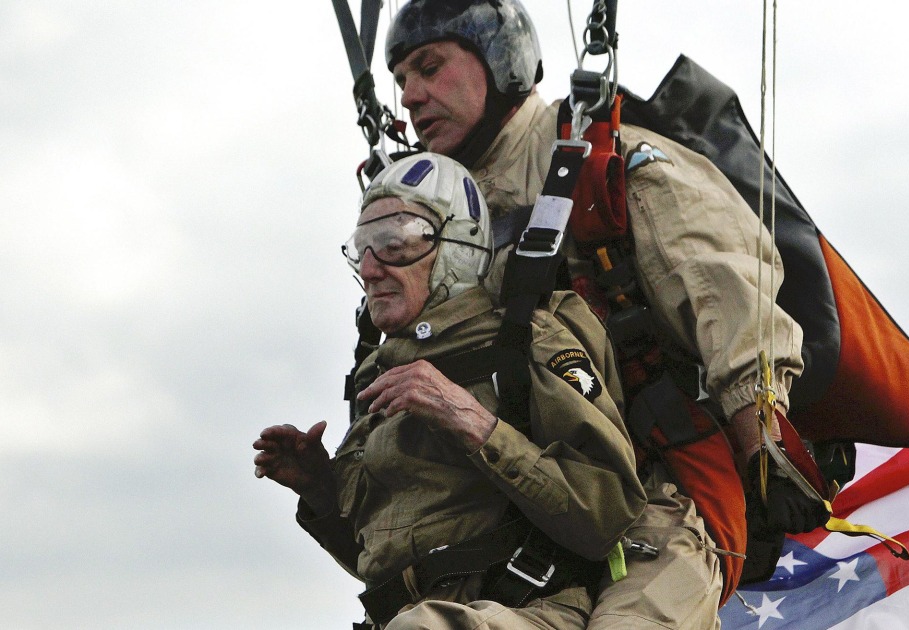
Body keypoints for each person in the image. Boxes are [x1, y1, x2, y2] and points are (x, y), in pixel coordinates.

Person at [382, 1, 828, 627]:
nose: (410, 96)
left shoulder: (611, 167)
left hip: (660, 506)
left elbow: (727, 287)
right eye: (401, 80)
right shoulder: (430, 223)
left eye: (429, 68)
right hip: (521, 520)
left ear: (500, 61)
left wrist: (764, 440)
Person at [254, 153, 646, 629]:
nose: (373, 268)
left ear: (456, 246)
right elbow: (377, 558)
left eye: (393, 243)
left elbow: (609, 514)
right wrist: (318, 487)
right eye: (364, 249)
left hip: (530, 610)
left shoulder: (526, 343)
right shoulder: (379, 377)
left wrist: (472, 421)